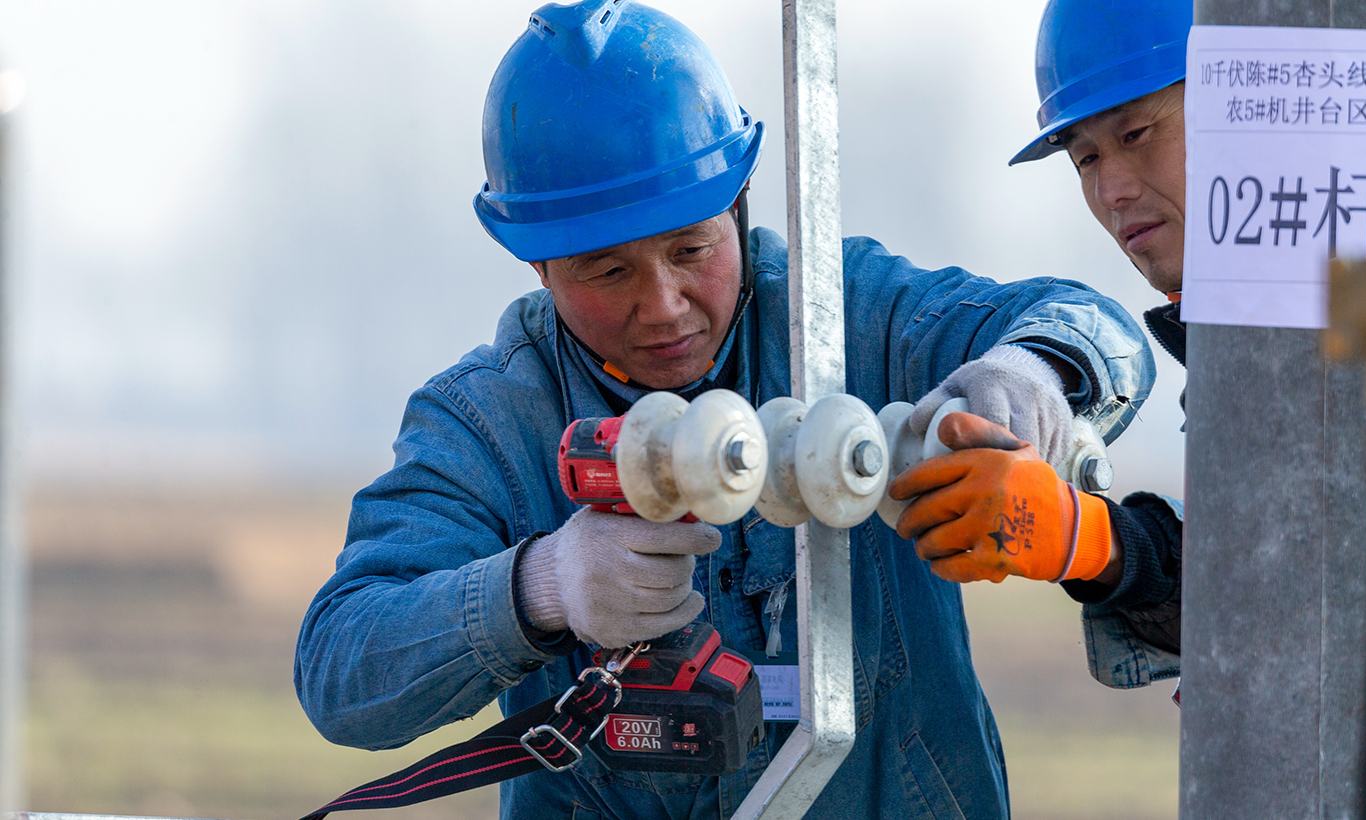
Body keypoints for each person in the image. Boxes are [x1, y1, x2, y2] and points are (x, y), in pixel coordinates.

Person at [293, 1, 1155, 817]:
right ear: (538, 266)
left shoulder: (848, 318)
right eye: (608, 271)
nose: (664, 304)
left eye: (690, 248)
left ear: (739, 210)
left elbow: (1096, 324)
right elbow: (341, 673)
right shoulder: (492, 422)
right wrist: (539, 586)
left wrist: (1035, 372)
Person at [889, 0, 1190, 691]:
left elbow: (1328, 606)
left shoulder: (1345, 317)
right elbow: (1258, 585)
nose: (1111, 189)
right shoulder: (1247, 333)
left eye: (1138, 132)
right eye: (1084, 156)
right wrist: (1089, 540)